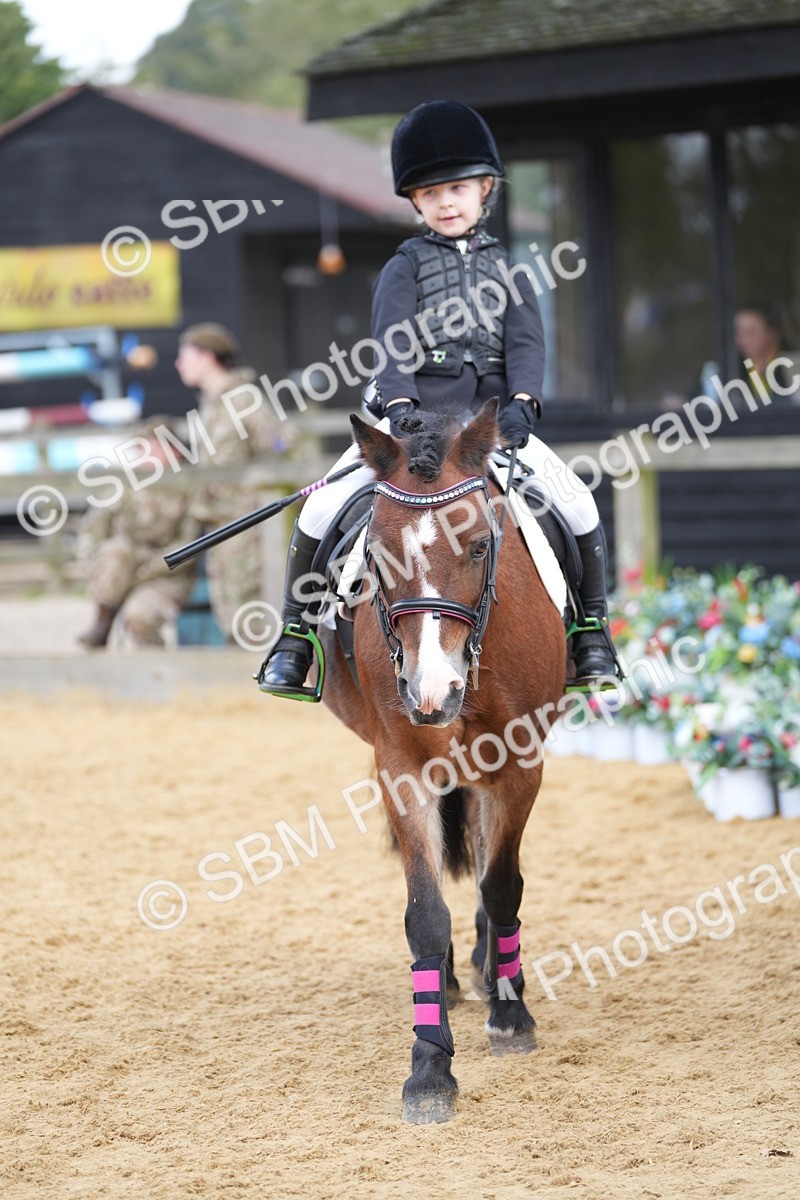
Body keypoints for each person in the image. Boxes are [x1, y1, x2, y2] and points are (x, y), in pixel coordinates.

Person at [258, 100, 618, 696]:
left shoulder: (514, 270)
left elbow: (527, 345)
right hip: (412, 421)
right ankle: (294, 640)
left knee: (577, 500)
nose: (446, 202)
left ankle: (591, 632)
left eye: (457, 188)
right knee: (322, 510)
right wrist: (398, 408)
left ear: (484, 190)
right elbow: (392, 346)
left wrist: (524, 403)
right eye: (431, 193)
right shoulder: (403, 267)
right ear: (416, 203)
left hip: (489, 428)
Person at [174, 323, 289, 640]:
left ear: (208, 357)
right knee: (227, 612)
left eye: (185, 356)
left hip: (244, 523)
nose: (179, 364)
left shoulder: (242, 399)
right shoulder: (210, 404)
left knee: (247, 611)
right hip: (217, 522)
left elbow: (279, 444)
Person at [76, 424, 199, 648]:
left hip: (166, 577)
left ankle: (155, 671)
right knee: (117, 550)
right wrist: (93, 565)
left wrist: (153, 566)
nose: (145, 455)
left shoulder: (189, 489)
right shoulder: (125, 488)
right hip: (123, 573)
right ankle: (102, 622)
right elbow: (92, 530)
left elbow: (190, 545)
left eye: (154, 448)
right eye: (141, 449)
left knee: (138, 616)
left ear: (176, 451)